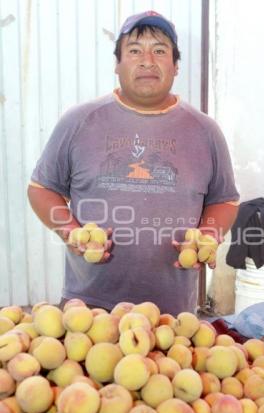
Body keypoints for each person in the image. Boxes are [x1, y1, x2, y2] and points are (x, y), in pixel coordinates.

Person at [28, 10, 239, 315]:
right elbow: (41, 188)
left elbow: (225, 200)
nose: (147, 60)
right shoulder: (79, 121)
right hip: (88, 311)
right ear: (118, 64)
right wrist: (71, 231)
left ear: (176, 66)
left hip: (171, 316)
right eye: (135, 50)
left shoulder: (205, 131)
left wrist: (208, 234)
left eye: (160, 51)